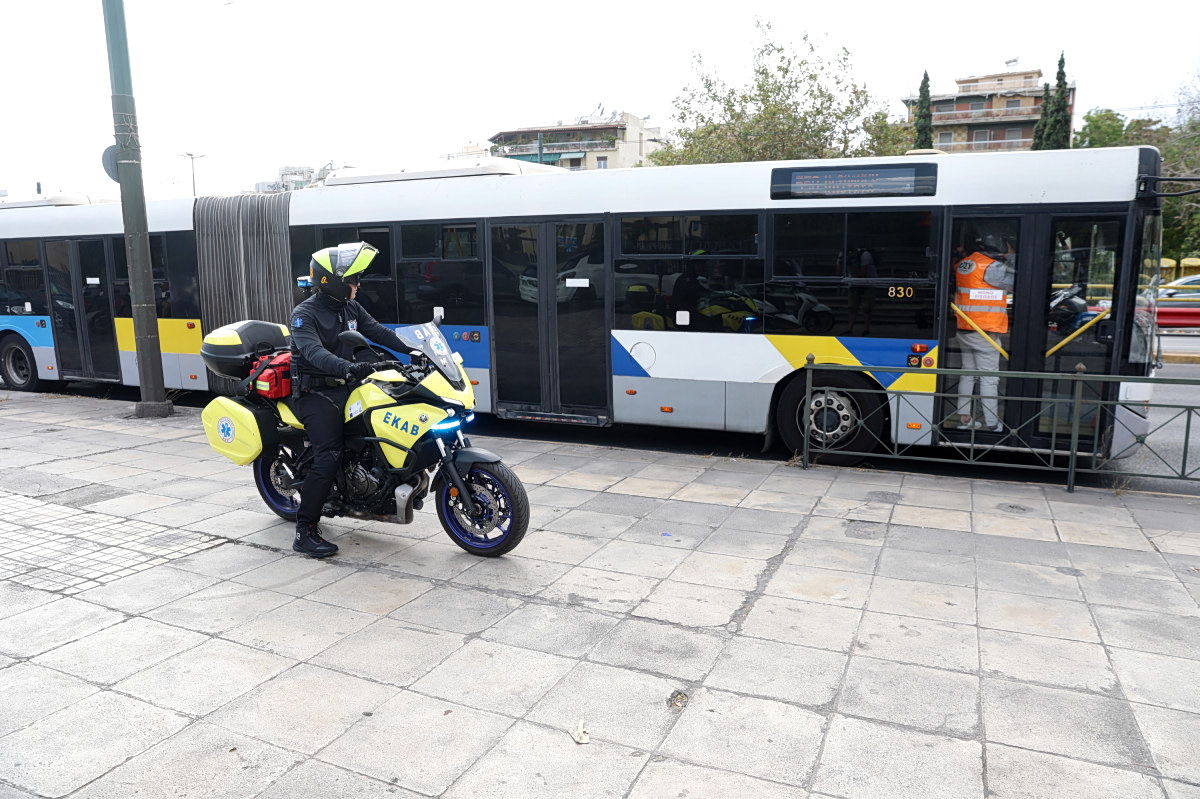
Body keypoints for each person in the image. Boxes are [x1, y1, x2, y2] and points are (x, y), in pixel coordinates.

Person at [288, 241, 408, 558]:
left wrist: (416, 352)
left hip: (347, 385)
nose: (358, 284)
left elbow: (380, 333)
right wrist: (349, 367)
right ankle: (305, 531)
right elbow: (314, 353)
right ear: (336, 282)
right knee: (328, 454)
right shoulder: (303, 315)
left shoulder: (350, 308)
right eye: (353, 279)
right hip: (316, 392)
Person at [953, 232, 1015, 432]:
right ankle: (992, 423)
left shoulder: (965, 264)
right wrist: (1011, 257)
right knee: (989, 378)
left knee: (968, 374)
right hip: (984, 331)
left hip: (965, 327)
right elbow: (1017, 283)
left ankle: (964, 419)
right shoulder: (992, 267)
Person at [844, 247, 877, 335]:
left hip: (867, 284)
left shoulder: (865, 255)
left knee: (866, 308)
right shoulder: (842, 254)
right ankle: (849, 329)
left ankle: (866, 329)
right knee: (852, 307)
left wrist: (850, 264)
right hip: (853, 284)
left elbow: (862, 274)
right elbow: (838, 272)